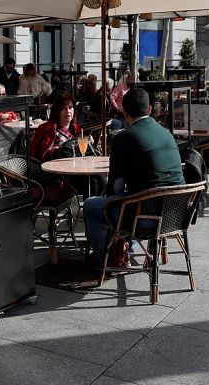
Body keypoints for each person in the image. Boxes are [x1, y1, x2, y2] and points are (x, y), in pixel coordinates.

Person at [83, 88, 184, 269]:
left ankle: (104, 260)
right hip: (176, 214)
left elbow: (116, 188)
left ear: (124, 112)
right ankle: (125, 250)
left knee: (91, 206)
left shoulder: (124, 138)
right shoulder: (167, 134)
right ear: (150, 110)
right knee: (130, 200)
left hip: (145, 216)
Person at [30, 92, 84, 162]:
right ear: (57, 111)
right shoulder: (45, 128)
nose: (68, 111)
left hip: (75, 165)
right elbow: (33, 153)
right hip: (50, 168)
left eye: (70, 107)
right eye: (64, 108)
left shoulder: (77, 129)